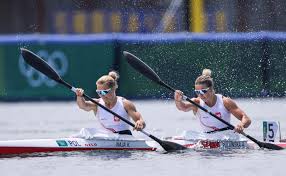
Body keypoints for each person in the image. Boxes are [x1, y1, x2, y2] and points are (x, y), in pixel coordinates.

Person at [174, 69, 251, 134]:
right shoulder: (196, 103)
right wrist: (178, 100)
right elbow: (182, 107)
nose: (200, 95)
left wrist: (241, 125)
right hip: (207, 137)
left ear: (211, 90)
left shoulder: (225, 102)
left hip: (226, 137)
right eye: (197, 92)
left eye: (203, 91)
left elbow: (246, 119)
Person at [75, 71, 146, 135]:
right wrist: (79, 96)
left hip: (123, 136)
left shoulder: (125, 104)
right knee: (85, 132)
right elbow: (83, 106)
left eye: (103, 92)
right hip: (105, 137)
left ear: (113, 89)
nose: (101, 95)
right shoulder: (97, 103)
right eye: (99, 92)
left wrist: (140, 123)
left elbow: (140, 120)